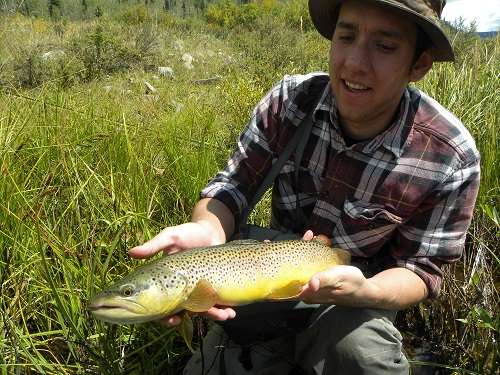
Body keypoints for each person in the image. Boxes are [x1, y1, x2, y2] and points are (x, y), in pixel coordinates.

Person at [129, 0, 480, 373]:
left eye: (385, 46)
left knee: (362, 354)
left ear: (420, 64)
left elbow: (420, 270)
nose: (355, 63)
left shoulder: (450, 157)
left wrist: (366, 291)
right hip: (263, 278)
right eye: (346, 36)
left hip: (353, 299)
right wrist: (206, 230)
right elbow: (233, 187)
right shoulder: (290, 101)